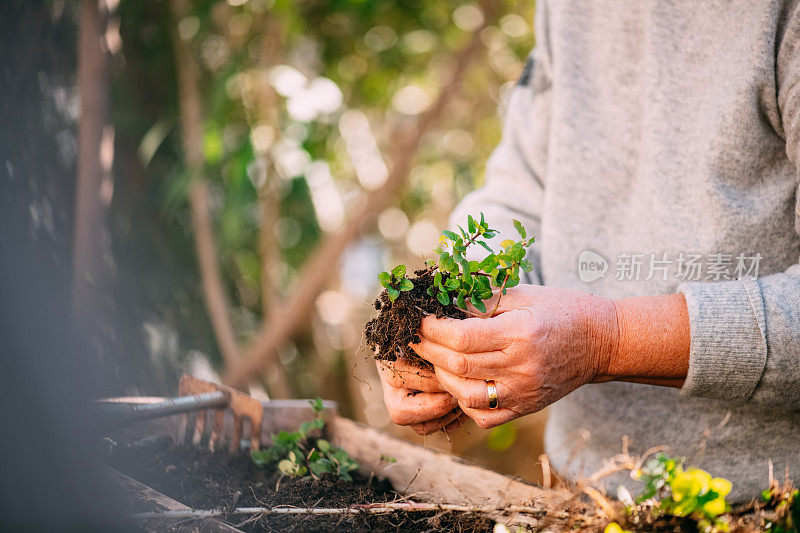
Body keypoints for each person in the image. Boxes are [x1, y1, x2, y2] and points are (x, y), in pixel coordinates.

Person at [377, 0, 800, 502]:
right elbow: (521, 194)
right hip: (584, 495)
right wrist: (455, 313)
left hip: (766, 501)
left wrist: (609, 340)